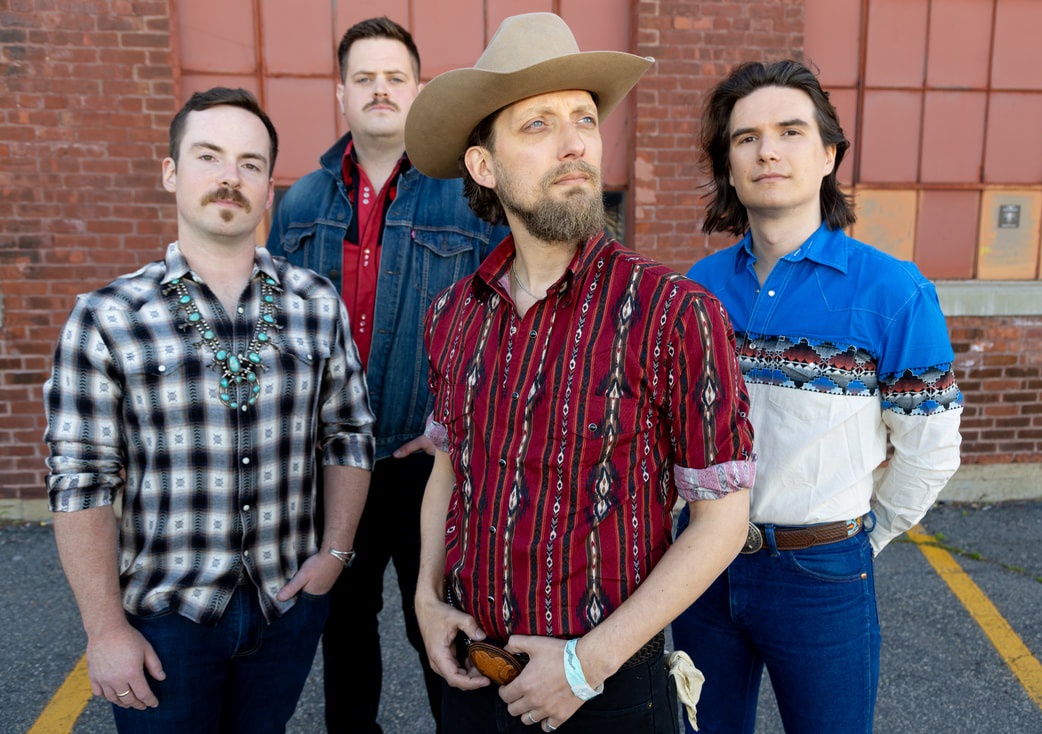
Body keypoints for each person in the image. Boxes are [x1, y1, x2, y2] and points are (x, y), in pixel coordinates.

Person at [403, 12, 757, 734]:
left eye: (585, 120)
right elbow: (448, 469)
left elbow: (722, 522)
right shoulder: (452, 314)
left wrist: (583, 665)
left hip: (608, 691)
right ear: (484, 166)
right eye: (537, 125)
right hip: (473, 677)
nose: (574, 145)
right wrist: (426, 600)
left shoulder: (674, 313)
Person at [43, 87, 375, 733]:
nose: (230, 176)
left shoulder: (316, 302)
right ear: (172, 173)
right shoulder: (108, 316)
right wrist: (104, 630)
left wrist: (334, 554)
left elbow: (348, 434)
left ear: (268, 189)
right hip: (166, 621)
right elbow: (80, 482)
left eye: (250, 163)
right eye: (209, 156)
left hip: (286, 607)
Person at [671, 60, 964, 734]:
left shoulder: (894, 292)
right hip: (700, 566)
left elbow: (930, 450)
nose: (767, 151)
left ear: (829, 155)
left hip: (822, 574)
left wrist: (859, 541)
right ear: (728, 166)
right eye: (746, 138)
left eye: (790, 131)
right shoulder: (697, 288)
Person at [266, 17, 508, 734]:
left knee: (441, 624)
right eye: (364, 77)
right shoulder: (302, 203)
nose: (379, 90)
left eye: (394, 77)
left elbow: (504, 318)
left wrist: (455, 427)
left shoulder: (464, 195)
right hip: (330, 463)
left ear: (417, 90)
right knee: (342, 627)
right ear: (340, 92)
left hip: (426, 460)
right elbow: (273, 325)